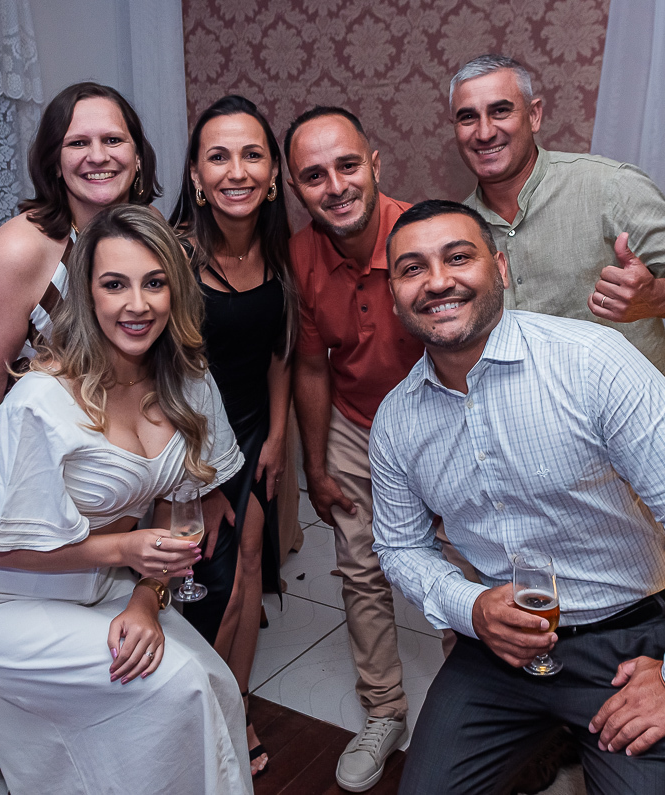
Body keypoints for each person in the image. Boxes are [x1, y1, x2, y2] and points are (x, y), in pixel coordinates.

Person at [369, 200, 665, 794]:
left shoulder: (592, 363)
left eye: (458, 257)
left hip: (625, 645)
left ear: (500, 267)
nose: (438, 281)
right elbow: (399, 546)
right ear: (394, 294)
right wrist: (470, 607)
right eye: (412, 268)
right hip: (499, 649)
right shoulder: (397, 420)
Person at [0, 205, 253, 795]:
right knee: (179, 685)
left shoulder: (188, 382)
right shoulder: (42, 400)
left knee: (218, 687)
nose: (137, 305)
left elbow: (177, 509)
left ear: (176, 290)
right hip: (3, 600)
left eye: (154, 282)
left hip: (102, 589)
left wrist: (146, 597)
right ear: (86, 294)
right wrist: (124, 550)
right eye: (114, 284)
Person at [0, 81, 168, 596]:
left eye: (113, 140)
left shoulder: (151, 229)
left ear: (137, 156)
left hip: (124, 467)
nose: (98, 156)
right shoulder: (21, 248)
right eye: (77, 142)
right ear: (54, 161)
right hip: (40, 472)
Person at [451, 54, 665, 392]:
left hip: (633, 415)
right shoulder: (457, 229)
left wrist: (658, 296)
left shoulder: (608, 186)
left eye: (500, 111)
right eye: (468, 117)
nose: (484, 132)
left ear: (534, 115)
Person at [283, 106, 423, 792]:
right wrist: (315, 464)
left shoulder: (422, 234)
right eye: (314, 175)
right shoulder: (301, 254)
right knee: (362, 569)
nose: (335, 186)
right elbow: (312, 366)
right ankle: (383, 709)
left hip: (435, 419)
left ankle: (482, 710)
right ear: (295, 189)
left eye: (346, 165)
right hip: (352, 420)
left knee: (465, 567)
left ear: (374, 163)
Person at [168, 94, 298, 776]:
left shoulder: (278, 252)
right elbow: (155, 378)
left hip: (252, 432)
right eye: (218, 156)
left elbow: (279, 350)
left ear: (273, 172)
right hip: (189, 444)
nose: (236, 170)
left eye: (252, 154)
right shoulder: (173, 256)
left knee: (249, 567)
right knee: (210, 584)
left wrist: (276, 435)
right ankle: (194, 714)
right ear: (195, 173)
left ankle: (234, 702)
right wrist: (200, 480)